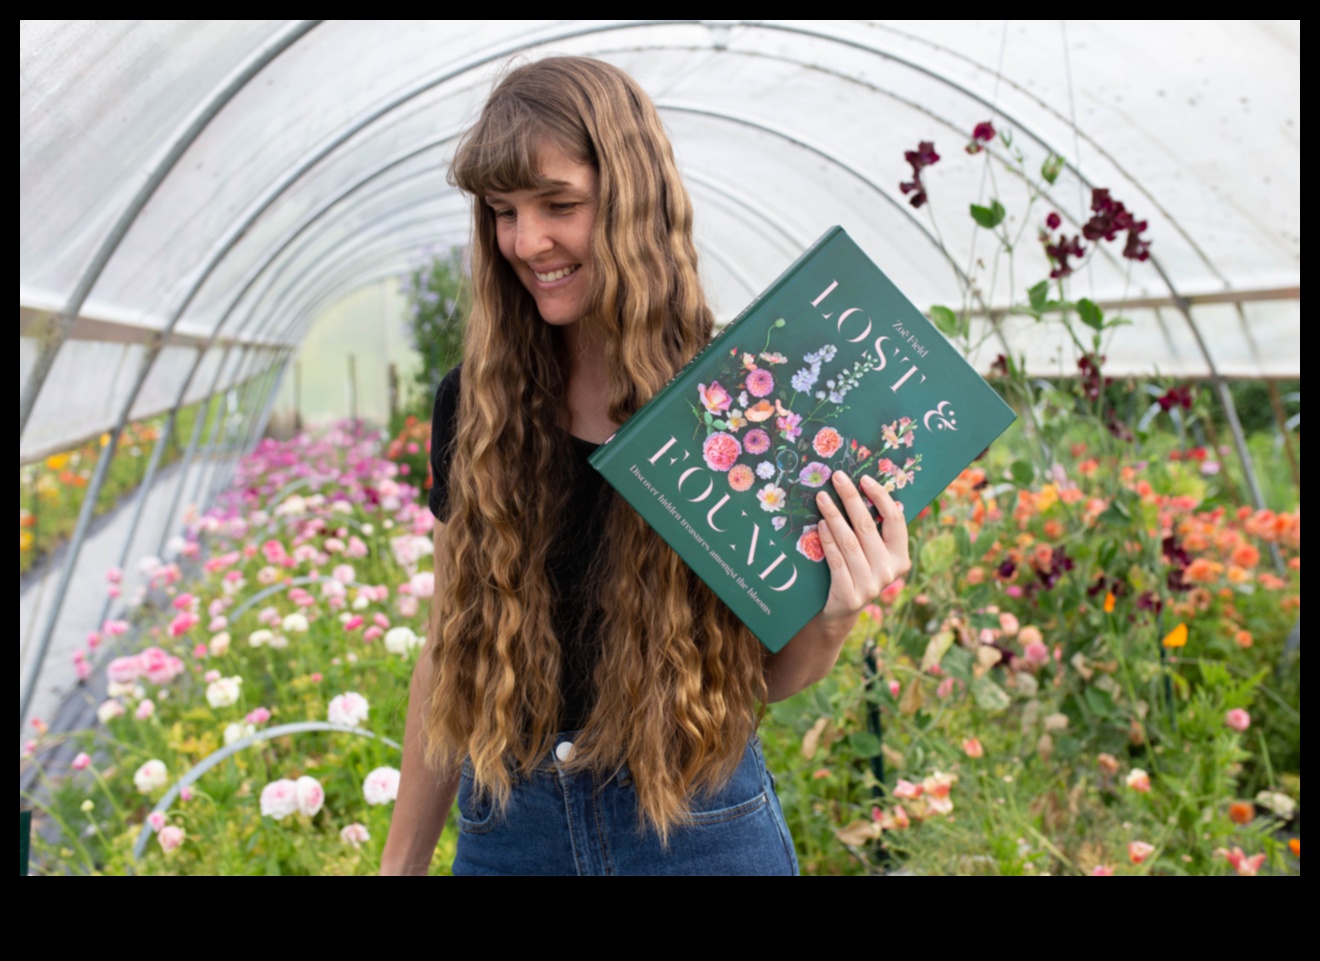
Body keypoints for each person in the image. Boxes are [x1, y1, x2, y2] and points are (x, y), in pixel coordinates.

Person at [380, 56, 909, 876]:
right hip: (512, 829)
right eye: (502, 212)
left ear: (633, 199)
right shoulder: (478, 405)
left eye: (559, 205)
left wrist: (835, 614)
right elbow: (451, 648)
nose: (526, 241)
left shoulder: (738, 399)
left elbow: (765, 678)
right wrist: (399, 865)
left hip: (695, 825)